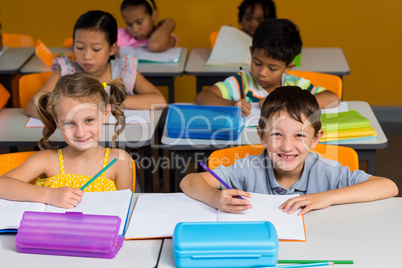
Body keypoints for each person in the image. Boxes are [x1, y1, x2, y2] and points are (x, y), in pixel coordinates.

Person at [182, 86, 398, 215]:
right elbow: (189, 181)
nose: (287, 146)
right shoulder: (248, 168)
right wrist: (214, 197)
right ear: (262, 135)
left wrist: (326, 198)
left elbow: (388, 186)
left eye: (299, 135)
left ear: (316, 139)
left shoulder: (325, 171)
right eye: (277, 134)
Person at [0, 72, 133, 209]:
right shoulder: (46, 160)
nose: (80, 133)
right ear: (57, 121)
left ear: (105, 114)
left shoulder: (119, 162)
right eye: (70, 123)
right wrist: (49, 195)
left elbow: (124, 210)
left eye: (89, 120)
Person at [25, 10, 166, 119]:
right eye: (79, 47)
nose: (86, 56)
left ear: (112, 49)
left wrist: (109, 102)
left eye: (96, 49)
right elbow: (32, 105)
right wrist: (63, 117)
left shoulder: (123, 70)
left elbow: (159, 100)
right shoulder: (67, 72)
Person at [196, 19, 340, 117]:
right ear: (252, 52)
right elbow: (203, 97)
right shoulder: (241, 82)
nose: (262, 72)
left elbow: (332, 98)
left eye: (272, 68)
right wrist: (232, 104)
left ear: (287, 67)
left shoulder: (294, 86)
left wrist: (286, 103)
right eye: (257, 63)